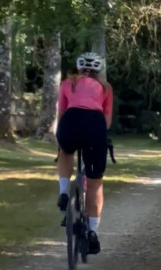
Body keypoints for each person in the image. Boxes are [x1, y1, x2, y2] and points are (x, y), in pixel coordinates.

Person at [56, 52, 113, 255]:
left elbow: (61, 113)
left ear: (79, 68)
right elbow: (106, 121)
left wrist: (60, 137)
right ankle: (92, 233)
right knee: (95, 181)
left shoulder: (67, 84)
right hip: (94, 125)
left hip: (71, 121)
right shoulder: (105, 87)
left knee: (65, 151)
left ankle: (63, 193)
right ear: (98, 70)